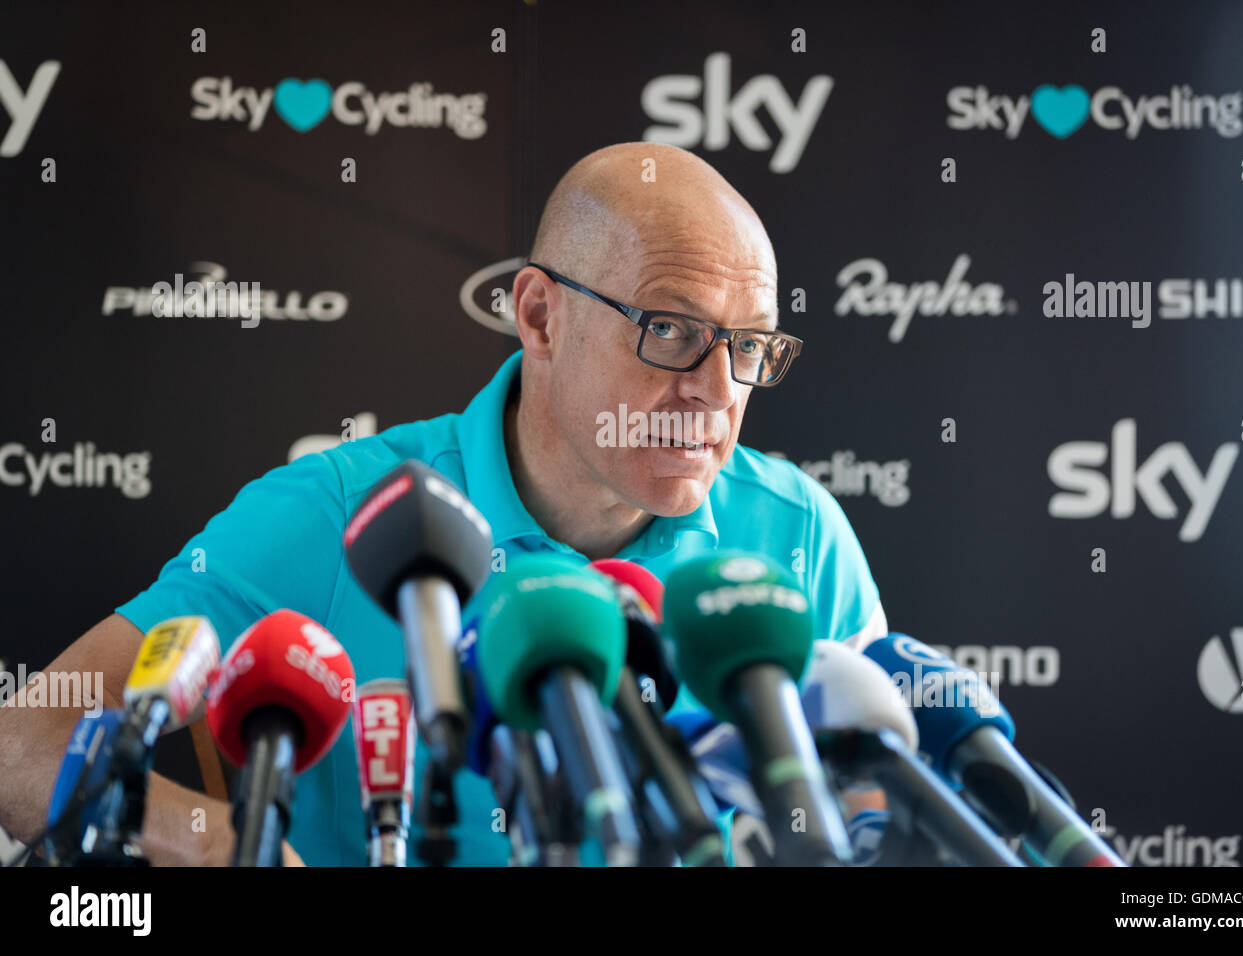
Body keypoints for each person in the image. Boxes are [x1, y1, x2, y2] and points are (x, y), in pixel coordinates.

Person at [0, 142, 885, 865]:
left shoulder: (802, 535)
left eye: (750, 345)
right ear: (539, 317)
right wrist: (235, 846)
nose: (717, 390)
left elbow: (877, 807)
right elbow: (25, 741)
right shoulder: (342, 512)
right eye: (673, 332)